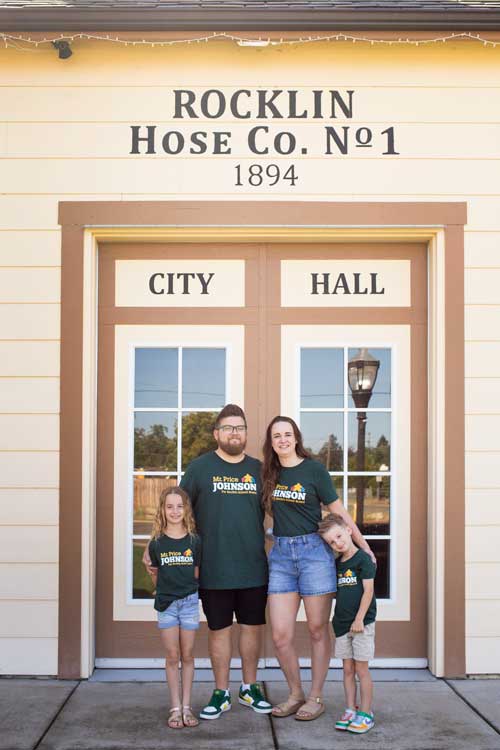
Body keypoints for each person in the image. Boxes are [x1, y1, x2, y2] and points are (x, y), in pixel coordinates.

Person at [144, 404, 271, 720]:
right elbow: (175, 513)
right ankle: (221, 692)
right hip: (213, 568)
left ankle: (249, 688)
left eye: (239, 427)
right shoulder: (199, 469)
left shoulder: (259, 469)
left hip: (253, 566)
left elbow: (282, 509)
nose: (233, 433)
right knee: (219, 630)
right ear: (217, 433)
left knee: (252, 629)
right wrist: (154, 546)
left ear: (245, 433)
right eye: (227, 428)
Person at [261, 416, 375, 722]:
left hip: (314, 554)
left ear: (296, 438)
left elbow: (339, 513)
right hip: (282, 556)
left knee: (315, 629)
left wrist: (362, 545)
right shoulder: (268, 473)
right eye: (276, 436)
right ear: (271, 442)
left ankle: (316, 697)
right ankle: (295, 693)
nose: (282, 439)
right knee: (281, 635)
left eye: (287, 434)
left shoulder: (314, 470)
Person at [148, 486, 201, 730]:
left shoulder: (194, 541)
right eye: (169, 506)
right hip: (167, 605)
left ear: (186, 509)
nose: (175, 511)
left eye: (179, 506)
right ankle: (175, 707)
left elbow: (196, 574)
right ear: (162, 509)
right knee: (172, 656)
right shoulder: (157, 543)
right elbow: (155, 577)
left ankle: (188, 706)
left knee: (188, 655)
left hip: (189, 603)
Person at [318, 513, 376, 734]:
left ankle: (366, 712)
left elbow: (368, 591)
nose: (338, 543)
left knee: (362, 669)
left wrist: (360, 618)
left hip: (361, 624)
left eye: (339, 536)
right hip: (342, 625)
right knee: (347, 670)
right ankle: (351, 708)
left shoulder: (363, 559)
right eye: (332, 542)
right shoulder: (337, 563)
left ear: (349, 531)